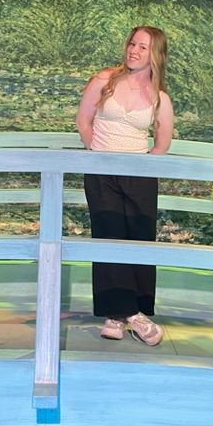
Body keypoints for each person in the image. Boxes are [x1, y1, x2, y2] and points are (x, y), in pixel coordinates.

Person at [76, 26, 174, 345]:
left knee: (138, 242)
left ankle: (121, 315)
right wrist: (98, 157)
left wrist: (142, 167)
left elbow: (162, 143)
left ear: (155, 54)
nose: (133, 50)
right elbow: (83, 120)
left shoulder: (160, 98)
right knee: (108, 237)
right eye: (132, 43)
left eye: (142, 47)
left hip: (139, 175)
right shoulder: (104, 80)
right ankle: (130, 316)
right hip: (101, 171)